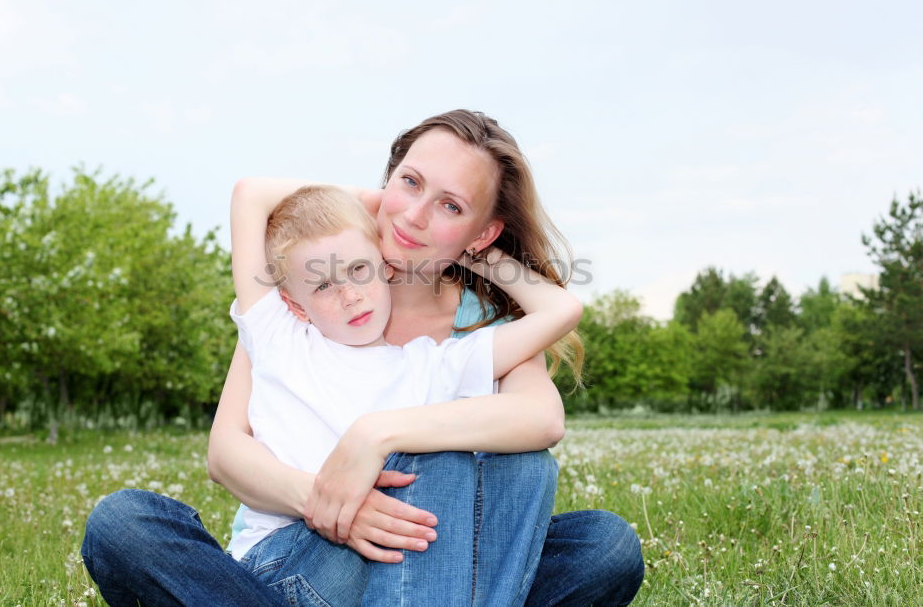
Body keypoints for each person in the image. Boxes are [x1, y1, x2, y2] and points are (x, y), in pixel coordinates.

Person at [82, 109, 645, 606]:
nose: (416, 216)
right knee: (125, 524)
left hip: (419, 547)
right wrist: (334, 504)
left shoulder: (468, 330)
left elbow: (541, 420)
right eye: (409, 182)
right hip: (307, 553)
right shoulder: (297, 308)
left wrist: (373, 435)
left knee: (600, 543)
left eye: (450, 205)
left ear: (483, 233)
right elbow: (226, 453)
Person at [225, 183, 583, 582]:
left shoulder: (430, 363)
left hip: (388, 563)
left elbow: (562, 309)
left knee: (453, 465)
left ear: (385, 266)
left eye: (359, 270)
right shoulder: (278, 338)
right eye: (323, 285)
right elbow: (248, 195)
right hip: (287, 558)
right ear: (295, 305)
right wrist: (381, 205)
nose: (349, 296)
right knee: (145, 519)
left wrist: (463, 248)